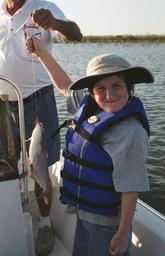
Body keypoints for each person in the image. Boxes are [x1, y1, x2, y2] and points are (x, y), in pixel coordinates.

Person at [26, 37, 154, 256]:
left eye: (117, 86)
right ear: (92, 92)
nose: (109, 95)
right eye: (100, 88)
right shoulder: (93, 104)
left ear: (129, 87)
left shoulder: (130, 133)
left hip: (107, 224)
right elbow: (65, 86)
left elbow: (131, 188)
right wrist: (41, 53)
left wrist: (123, 235)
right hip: (84, 213)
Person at [0, 0, 82, 255]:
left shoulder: (45, 6)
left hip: (39, 99)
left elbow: (77, 36)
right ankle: (10, 212)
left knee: (42, 164)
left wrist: (54, 23)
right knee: (5, 164)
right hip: (2, 101)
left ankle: (45, 223)